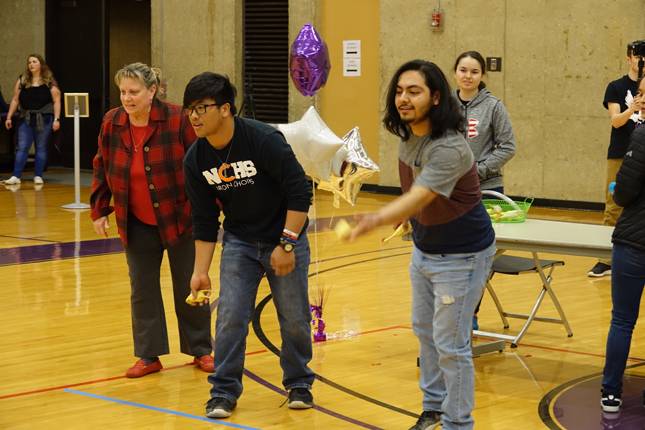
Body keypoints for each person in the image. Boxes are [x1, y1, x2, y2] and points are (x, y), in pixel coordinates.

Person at [349, 59, 496, 430]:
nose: (403, 98)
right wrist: (403, 217)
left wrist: (376, 218)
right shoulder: (409, 138)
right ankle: (433, 410)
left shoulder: (449, 147)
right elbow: (411, 193)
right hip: (426, 250)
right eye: (399, 91)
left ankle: (457, 423)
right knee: (425, 334)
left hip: (462, 256)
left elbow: (420, 196)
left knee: (451, 345)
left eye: (413, 91)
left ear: (434, 98)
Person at [182, 72, 315, 419]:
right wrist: (200, 272)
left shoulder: (262, 140)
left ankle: (299, 382)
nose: (194, 117)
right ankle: (223, 391)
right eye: (189, 110)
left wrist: (286, 244)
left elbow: (301, 192)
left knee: (295, 319)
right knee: (229, 319)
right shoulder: (195, 160)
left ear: (225, 109)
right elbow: (205, 220)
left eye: (202, 108)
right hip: (240, 241)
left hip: (285, 237)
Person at [90, 62, 213, 378]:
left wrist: (207, 209)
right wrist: (100, 207)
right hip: (135, 219)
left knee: (191, 283)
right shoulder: (112, 122)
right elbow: (102, 163)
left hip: (180, 218)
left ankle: (201, 349)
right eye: (123, 92)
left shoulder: (177, 119)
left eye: (134, 92)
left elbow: (202, 162)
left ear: (152, 91)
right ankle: (149, 355)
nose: (127, 98)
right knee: (142, 288)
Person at [453, 50, 516, 330]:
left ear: (482, 76)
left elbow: (508, 146)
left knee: (481, 255)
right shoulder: (443, 107)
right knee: (454, 254)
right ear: (455, 72)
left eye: (474, 71)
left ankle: (471, 313)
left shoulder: (493, 106)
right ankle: (454, 312)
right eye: (464, 70)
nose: (468, 76)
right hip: (450, 192)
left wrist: (477, 171)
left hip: (486, 189)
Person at [600, 124, 645, 414]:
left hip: (633, 241)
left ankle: (612, 393)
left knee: (622, 321)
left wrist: (617, 192)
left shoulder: (642, 135)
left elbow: (624, 191)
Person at [588, 41, 643, 278]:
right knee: (613, 205)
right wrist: (633, 108)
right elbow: (616, 121)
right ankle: (606, 259)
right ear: (629, 58)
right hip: (622, 151)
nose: (642, 61)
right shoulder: (616, 87)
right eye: (638, 56)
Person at [3, 54, 61, 185]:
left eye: (34, 61)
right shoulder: (23, 80)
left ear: (40, 64)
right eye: (29, 62)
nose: (31, 64)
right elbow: (15, 100)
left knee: (41, 147)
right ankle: (16, 176)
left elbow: (57, 101)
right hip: (26, 118)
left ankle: (38, 175)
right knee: (22, 147)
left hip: (45, 118)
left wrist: (56, 119)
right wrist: (9, 116)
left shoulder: (49, 81)